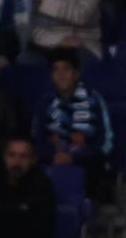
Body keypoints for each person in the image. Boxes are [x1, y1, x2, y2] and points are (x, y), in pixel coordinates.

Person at [32, 50, 112, 190]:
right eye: (56, 70)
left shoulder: (94, 100)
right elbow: (37, 140)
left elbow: (105, 143)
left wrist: (74, 157)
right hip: (53, 161)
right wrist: (54, 156)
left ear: (76, 73)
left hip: (86, 163)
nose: (61, 75)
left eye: (66, 69)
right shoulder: (45, 103)